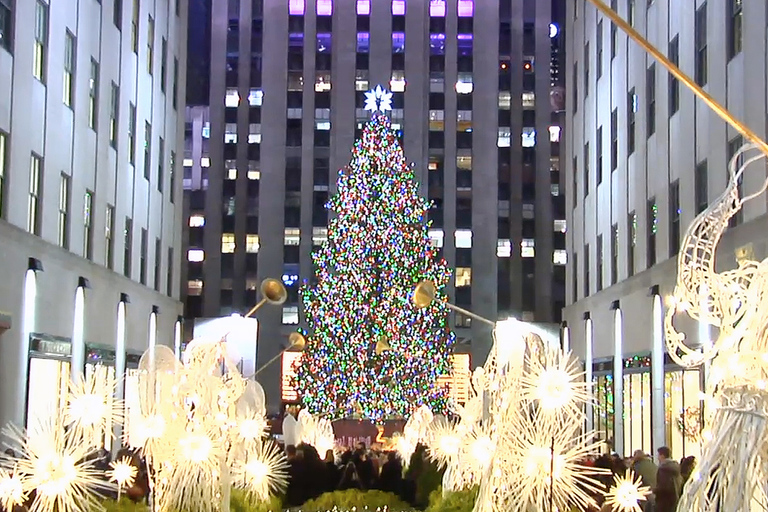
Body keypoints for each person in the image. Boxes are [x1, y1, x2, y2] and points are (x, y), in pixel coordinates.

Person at [654, 447, 682, 512]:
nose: (658, 458)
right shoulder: (676, 467)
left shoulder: (663, 469)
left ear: (662, 456)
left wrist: (654, 491)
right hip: (674, 500)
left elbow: (663, 487)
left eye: (658, 455)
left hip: (664, 502)